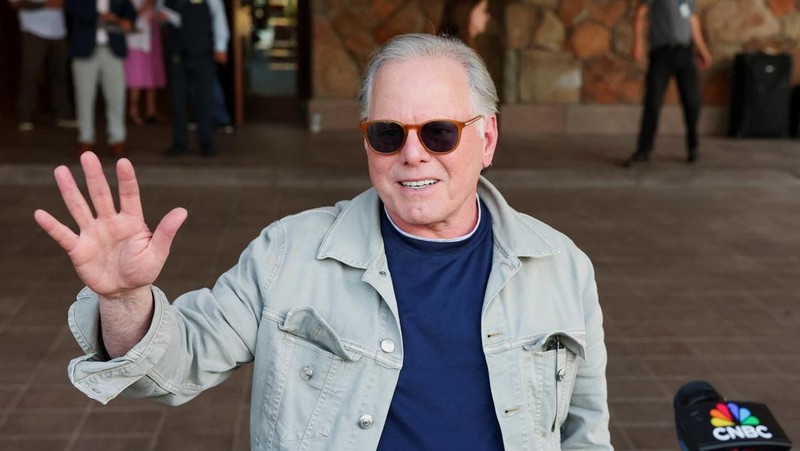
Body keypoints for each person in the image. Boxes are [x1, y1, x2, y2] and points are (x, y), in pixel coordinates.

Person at [33, 34, 611, 449]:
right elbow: (175, 368)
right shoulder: (287, 253)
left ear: (486, 139)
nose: (413, 154)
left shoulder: (563, 267)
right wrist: (125, 298)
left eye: (440, 132)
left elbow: (586, 433)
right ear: (367, 143)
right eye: (388, 134)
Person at [624, 0, 712, 167]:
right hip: (662, 54)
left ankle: (693, 147)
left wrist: (702, 50)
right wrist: (638, 42)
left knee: (693, 101)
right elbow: (640, 13)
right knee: (653, 102)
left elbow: (692, 21)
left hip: (685, 54)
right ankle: (643, 150)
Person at [65, 0, 136, 157]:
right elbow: (72, 7)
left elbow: (130, 13)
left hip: (112, 49)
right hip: (84, 49)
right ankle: (85, 138)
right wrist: (102, 16)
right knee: (84, 96)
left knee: (116, 96)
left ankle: (117, 138)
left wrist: (125, 22)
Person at [161, 0, 229, 157]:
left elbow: (218, 19)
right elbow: (161, 14)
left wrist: (221, 46)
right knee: (178, 100)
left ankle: (206, 141)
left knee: (204, 98)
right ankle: (180, 142)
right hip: (178, 52)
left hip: (202, 51)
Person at [9, 0, 77, 132]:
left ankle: (63, 114)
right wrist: (46, 4)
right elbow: (15, 4)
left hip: (58, 31)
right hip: (33, 30)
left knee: (60, 74)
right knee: (30, 73)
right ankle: (24, 116)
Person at [124, 0, 166, 126]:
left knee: (151, 74)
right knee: (136, 74)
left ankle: (151, 111)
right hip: (135, 37)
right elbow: (128, 15)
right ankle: (133, 111)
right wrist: (146, 4)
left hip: (151, 34)